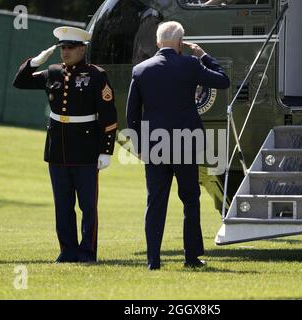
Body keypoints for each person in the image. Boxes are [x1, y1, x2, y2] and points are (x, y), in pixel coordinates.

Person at [126, 21, 230, 270]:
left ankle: (153, 261)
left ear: (158, 42)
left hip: (155, 146)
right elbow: (223, 81)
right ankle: (191, 257)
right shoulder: (191, 64)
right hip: (186, 144)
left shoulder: (141, 70)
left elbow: (132, 113)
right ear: (181, 43)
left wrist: (138, 144)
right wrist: (203, 54)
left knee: (155, 202)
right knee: (190, 200)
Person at [13, 26, 117, 263]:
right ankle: (67, 251)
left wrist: (106, 150)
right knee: (63, 205)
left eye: (70, 48)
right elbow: (20, 83)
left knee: (88, 206)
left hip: (86, 149)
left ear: (82, 49)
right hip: (57, 149)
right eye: (63, 48)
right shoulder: (53, 72)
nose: (65, 52)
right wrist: (34, 62)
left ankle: (87, 251)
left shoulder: (96, 75)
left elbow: (109, 116)